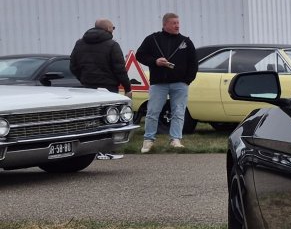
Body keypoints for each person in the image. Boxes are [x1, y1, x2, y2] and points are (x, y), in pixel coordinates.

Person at [135, 12, 199, 152]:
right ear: (165, 24)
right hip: (158, 83)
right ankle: (148, 140)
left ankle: (175, 140)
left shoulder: (186, 41)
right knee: (153, 111)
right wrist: (155, 61)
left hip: (180, 84)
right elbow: (140, 55)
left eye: (178, 23)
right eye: (174, 23)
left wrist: (187, 80)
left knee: (178, 112)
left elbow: (193, 62)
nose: (177, 25)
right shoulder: (152, 39)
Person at [69, 17, 130, 159]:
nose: (113, 30)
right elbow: (120, 69)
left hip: (87, 87)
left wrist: (83, 79)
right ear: (108, 29)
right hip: (108, 89)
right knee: (109, 119)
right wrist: (127, 87)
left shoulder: (79, 43)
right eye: (113, 28)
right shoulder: (112, 45)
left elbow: (73, 66)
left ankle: (89, 150)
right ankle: (106, 150)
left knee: (89, 120)